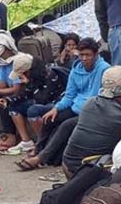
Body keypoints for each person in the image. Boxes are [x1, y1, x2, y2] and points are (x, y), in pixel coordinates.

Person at [18, 38, 109, 171]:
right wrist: (56, 108)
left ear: (96, 55)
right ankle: (38, 148)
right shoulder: (76, 69)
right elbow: (70, 95)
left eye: (88, 55)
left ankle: (39, 158)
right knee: (49, 118)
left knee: (66, 126)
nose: (84, 58)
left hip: (94, 111)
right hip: (76, 107)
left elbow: (100, 97)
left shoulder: (104, 69)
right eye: (81, 55)